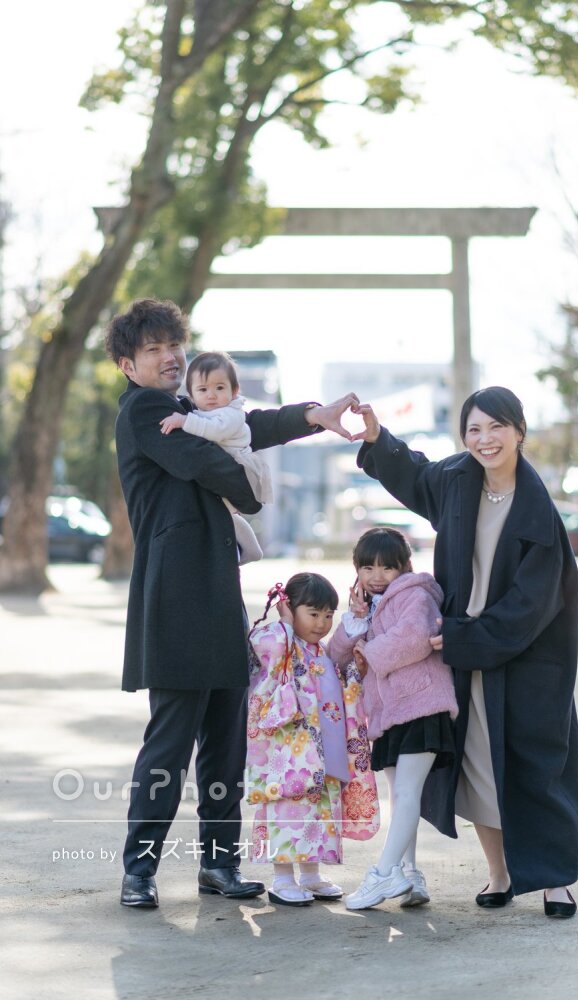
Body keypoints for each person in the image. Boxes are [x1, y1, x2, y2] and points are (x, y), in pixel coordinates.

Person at [104, 297, 359, 909]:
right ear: (127, 365)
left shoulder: (189, 411)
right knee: (169, 745)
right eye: (154, 350)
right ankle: (138, 870)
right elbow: (211, 459)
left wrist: (312, 416)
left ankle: (220, 865)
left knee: (226, 746)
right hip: (175, 599)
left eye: (174, 345)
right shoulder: (145, 410)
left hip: (217, 596)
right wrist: (247, 484)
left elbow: (241, 424)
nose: (170, 357)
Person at [351, 387, 578, 918]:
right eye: (474, 429)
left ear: (519, 431)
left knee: (538, 767)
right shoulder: (458, 480)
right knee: (478, 765)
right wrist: (378, 439)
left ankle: (555, 881)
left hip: (524, 657)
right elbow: (414, 474)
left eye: (497, 427)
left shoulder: (538, 510)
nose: (485, 439)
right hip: (463, 652)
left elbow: (532, 603)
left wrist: (466, 638)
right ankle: (499, 873)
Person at [327, 527, 458, 911]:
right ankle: (409, 873)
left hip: (421, 705)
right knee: (401, 797)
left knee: (406, 793)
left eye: (387, 567)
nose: (377, 576)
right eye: (367, 567)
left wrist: (369, 650)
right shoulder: (369, 607)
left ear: (404, 566)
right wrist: (354, 624)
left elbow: (415, 638)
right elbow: (337, 659)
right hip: (388, 715)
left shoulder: (416, 594)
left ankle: (384, 872)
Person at [246, 573, 377, 906]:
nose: (321, 623)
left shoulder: (321, 653)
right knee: (287, 812)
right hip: (289, 756)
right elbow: (265, 648)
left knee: (318, 814)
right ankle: (282, 879)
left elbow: (342, 682)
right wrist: (286, 624)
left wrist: (354, 671)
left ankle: (310, 874)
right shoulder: (281, 644)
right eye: (313, 614)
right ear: (290, 609)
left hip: (322, 753)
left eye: (328, 615)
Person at [160, 350, 271, 564]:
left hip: (240, 470)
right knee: (225, 515)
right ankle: (250, 550)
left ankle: (249, 550)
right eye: (203, 389)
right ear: (191, 395)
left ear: (234, 391)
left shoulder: (232, 414)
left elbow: (214, 431)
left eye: (219, 388)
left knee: (221, 515)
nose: (211, 395)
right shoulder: (203, 413)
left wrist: (183, 421)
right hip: (226, 469)